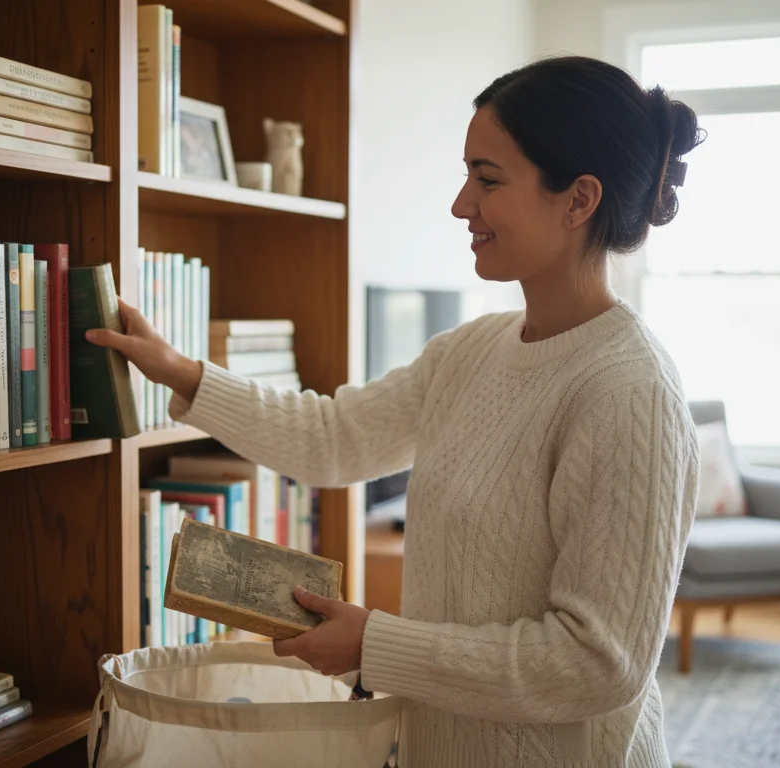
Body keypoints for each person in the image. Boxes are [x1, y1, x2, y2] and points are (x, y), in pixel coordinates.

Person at [88, 55, 704, 767]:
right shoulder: (469, 352)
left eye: (488, 178)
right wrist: (185, 374)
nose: (460, 203)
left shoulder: (632, 395)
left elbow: (598, 664)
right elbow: (334, 439)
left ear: (578, 200)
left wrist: (375, 643)